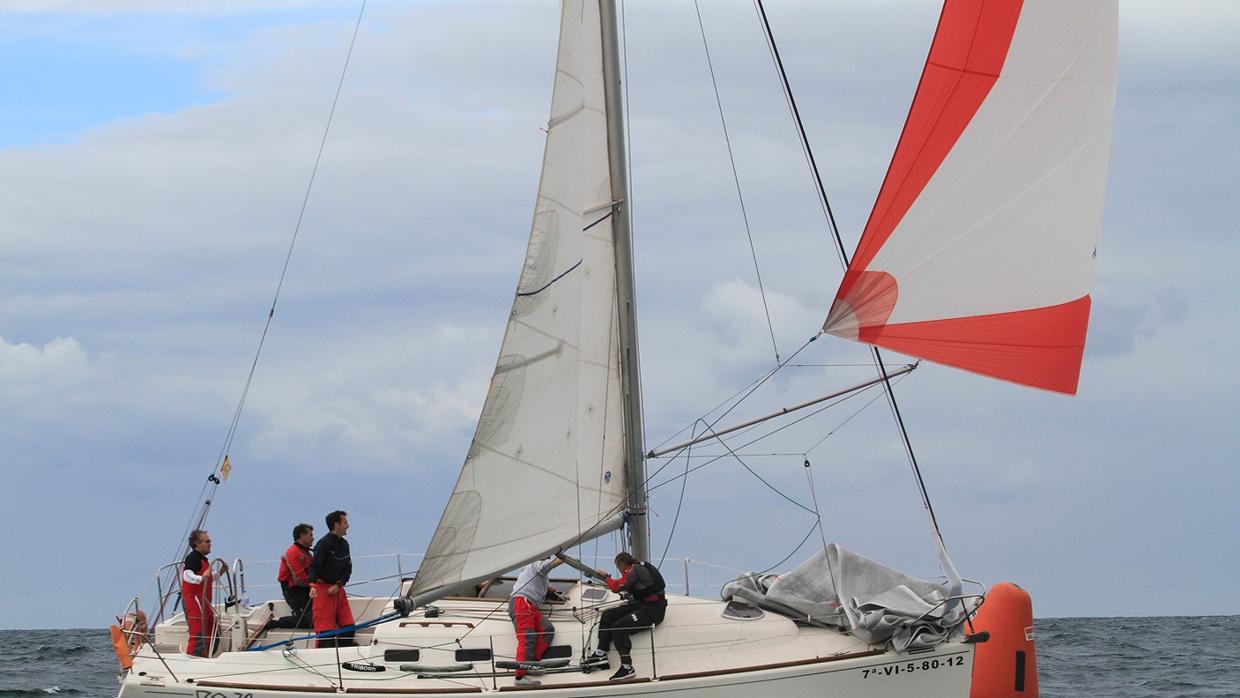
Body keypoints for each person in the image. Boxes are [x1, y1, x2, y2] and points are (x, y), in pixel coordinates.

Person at [584, 552, 667, 681]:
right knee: (608, 614)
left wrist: (606, 577)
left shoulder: (635, 570)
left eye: (619, 568)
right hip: (642, 605)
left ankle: (627, 667)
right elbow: (623, 583)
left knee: (619, 627)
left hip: (653, 610)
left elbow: (617, 587)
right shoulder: (635, 569)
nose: (620, 570)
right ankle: (601, 653)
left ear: (622, 564)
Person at [507, 556, 564, 686]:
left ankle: (532, 664)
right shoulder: (536, 565)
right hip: (522, 603)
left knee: (547, 629)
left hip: (529, 605)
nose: (548, 558)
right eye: (547, 556)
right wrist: (563, 558)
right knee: (527, 639)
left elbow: (539, 580)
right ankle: (519, 677)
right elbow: (547, 565)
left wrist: (549, 589)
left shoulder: (535, 572)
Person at [309, 510, 355, 647]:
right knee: (325, 633)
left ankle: (343, 652)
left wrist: (339, 584)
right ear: (336, 525)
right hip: (323, 591)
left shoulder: (345, 545)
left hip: (338, 589)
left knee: (349, 628)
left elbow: (348, 568)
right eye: (345, 523)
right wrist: (312, 586)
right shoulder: (323, 544)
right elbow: (314, 567)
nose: (348, 525)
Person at [180, 529, 216, 657]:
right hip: (194, 602)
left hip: (204, 603)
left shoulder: (203, 560)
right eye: (207, 541)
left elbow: (207, 577)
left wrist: (220, 572)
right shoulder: (193, 558)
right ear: (197, 543)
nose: (210, 544)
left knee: (211, 627)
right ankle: (193, 659)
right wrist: (201, 578)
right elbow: (187, 575)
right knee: (198, 632)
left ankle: (206, 656)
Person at [274, 523, 315, 629]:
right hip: (293, 591)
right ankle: (276, 623)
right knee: (309, 621)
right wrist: (316, 584)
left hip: (305, 590)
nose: (313, 538)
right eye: (310, 535)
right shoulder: (293, 553)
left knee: (320, 615)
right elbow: (300, 579)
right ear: (302, 536)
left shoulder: (307, 554)